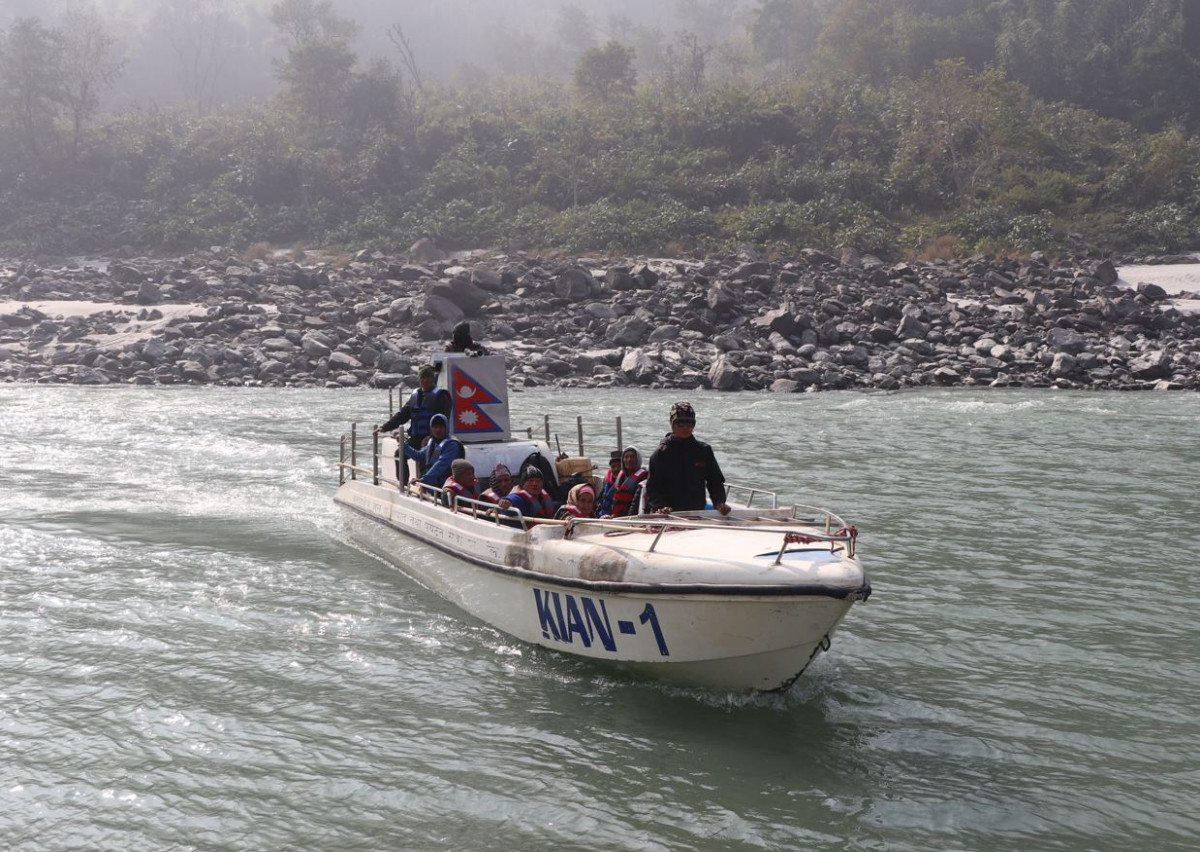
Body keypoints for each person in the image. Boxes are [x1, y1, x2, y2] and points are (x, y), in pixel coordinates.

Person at [645, 401, 730, 516]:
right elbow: (653, 488)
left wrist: (719, 502)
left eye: (689, 424)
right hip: (667, 516)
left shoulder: (704, 450)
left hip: (696, 514)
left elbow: (715, 481)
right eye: (680, 423)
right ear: (672, 424)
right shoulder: (660, 453)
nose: (685, 427)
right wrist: (660, 507)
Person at [375, 364, 452, 485]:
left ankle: (424, 487)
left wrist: (432, 437)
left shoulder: (441, 395)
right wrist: (384, 427)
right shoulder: (415, 395)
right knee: (399, 454)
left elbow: (444, 419)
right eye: (422, 377)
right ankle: (403, 486)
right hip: (416, 437)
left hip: (434, 438)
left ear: (433, 379)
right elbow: (402, 415)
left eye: (428, 377)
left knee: (425, 459)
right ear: (419, 378)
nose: (425, 380)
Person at [406, 413, 465, 490]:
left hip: (446, 487)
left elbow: (441, 465)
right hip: (431, 486)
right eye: (435, 427)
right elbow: (419, 456)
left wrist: (424, 479)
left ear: (446, 427)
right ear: (431, 428)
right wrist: (404, 445)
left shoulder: (452, 445)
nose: (438, 430)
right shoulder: (432, 442)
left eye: (441, 427)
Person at [607, 446, 647, 518]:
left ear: (638, 460)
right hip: (614, 517)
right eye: (626, 457)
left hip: (629, 518)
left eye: (632, 457)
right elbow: (610, 497)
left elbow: (637, 504)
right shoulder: (620, 476)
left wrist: (629, 519)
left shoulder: (644, 477)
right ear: (623, 460)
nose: (629, 460)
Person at [596, 450, 621, 516]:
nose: (616, 469)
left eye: (619, 466)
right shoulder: (607, 482)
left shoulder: (626, 483)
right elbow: (600, 500)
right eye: (613, 466)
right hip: (601, 516)